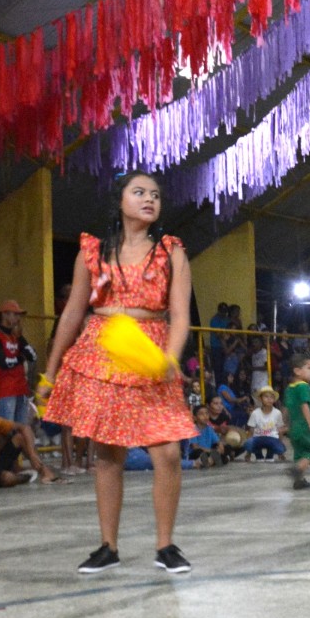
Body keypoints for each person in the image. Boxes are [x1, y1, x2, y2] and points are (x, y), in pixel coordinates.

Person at [41, 170, 196, 574]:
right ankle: (108, 546)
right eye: (139, 192)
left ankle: (166, 545)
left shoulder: (171, 251)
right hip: (102, 350)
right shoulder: (93, 251)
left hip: (151, 353)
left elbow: (180, 315)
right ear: (120, 200)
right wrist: (51, 370)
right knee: (108, 454)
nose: (149, 199)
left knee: (168, 453)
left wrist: (170, 359)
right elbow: (73, 311)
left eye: (156, 195)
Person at [0, 300, 38, 425]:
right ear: (4, 314)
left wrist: (20, 339)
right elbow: (3, 363)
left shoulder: (17, 336)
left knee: (22, 430)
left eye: (18, 315)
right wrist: (20, 358)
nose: (18, 318)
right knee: (7, 430)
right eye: (15, 314)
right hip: (5, 390)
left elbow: (33, 356)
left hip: (21, 388)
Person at [284, 354, 310, 489]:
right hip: (305, 427)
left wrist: (286, 425)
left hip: (294, 427)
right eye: (309, 368)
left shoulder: (289, 388)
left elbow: (286, 408)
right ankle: (297, 469)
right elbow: (304, 404)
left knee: (299, 453)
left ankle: (299, 481)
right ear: (297, 371)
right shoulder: (303, 387)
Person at [244, 385, 287, 461]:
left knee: (280, 448)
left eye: (271, 397)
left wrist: (281, 448)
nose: (269, 399)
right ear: (261, 398)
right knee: (248, 444)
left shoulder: (277, 413)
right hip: (258, 438)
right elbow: (251, 431)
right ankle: (258, 455)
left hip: (272, 438)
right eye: (266, 397)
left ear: (274, 400)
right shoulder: (255, 413)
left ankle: (270, 455)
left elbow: (280, 431)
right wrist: (248, 452)